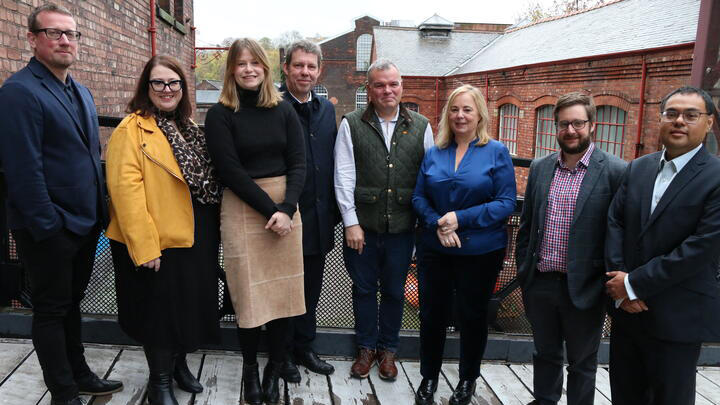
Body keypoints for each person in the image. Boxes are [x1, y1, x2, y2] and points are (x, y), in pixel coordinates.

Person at [0, 4, 122, 405]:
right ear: (33, 39)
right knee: (51, 311)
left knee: (72, 305)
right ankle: (64, 392)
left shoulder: (79, 90)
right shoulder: (19, 93)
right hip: (50, 228)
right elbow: (22, 170)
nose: (65, 40)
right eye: (54, 33)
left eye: (71, 33)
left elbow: (88, 158)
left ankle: (81, 374)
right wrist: (49, 226)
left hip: (85, 223)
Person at [104, 55, 221, 405]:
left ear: (183, 88)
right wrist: (145, 246)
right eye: (159, 83)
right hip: (158, 237)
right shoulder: (131, 129)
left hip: (195, 232)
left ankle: (179, 365)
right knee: (158, 312)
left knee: (187, 307)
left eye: (174, 83)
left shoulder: (189, 126)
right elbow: (125, 193)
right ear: (146, 87)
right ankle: (159, 382)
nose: (167, 89)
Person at [204, 38, 306, 405]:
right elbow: (229, 170)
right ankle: (250, 368)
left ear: (265, 68)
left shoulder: (283, 110)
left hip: (286, 209)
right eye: (241, 63)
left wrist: (288, 208)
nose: (249, 69)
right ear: (232, 70)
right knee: (247, 296)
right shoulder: (219, 114)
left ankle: (273, 370)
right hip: (244, 208)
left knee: (282, 296)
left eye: (255, 63)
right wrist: (271, 210)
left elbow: (299, 162)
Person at [605, 86, 720, 405]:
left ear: (708, 123)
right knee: (625, 396)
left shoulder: (716, 177)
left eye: (691, 115)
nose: (679, 121)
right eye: (672, 113)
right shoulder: (639, 168)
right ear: (662, 119)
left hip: (678, 315)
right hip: (627, 313)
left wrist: (634, 283)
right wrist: (620, 283)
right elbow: (615, 222)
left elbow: (702, 247)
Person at [515, 92, 626, 405]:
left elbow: (621, 232)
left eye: (578, 123)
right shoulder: (540, 168)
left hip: (586, 288)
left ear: (591, 125)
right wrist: (525, 271)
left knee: (582, 362)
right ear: (556, 127)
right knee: (545, 354)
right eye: (564, 124)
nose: (571, 130)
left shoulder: (615, 171)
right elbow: (526, 225)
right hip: (542, 283)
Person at [411, 84, 516, 405]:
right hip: (435, 248)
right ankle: (428, 378)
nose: (460, 115)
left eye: (467, 109)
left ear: (479, 114)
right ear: (447, 115)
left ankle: (467, 380)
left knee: (473, 316)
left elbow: (506, 202)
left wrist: (459, 218)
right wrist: (438, 223)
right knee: (432, 315)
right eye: (455, 109)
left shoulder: (495, 151)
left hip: (480, 251)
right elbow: (418, 197)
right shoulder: (434, 152)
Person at [334, 59, 434, 381]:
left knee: (393, 291)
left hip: (404, 229)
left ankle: (388, 350)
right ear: (369, 89)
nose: (387, 90)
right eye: (379, 84)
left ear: (401, 87)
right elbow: (343, 175)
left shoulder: (421, 126)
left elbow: (428, 178)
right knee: (363, 290)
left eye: (393, 84)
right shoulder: (351, 123)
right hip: (362, 228)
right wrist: (350, 221)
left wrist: (422, 226)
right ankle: (365, 348)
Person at [278, 40, 338, 382]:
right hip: (287, 215)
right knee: (287, 287)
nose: (305, 72)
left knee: (312, 287)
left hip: (319, 216)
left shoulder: (326, 110)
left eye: (311, 66)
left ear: (319, 70)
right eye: (298, 65)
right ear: (286, 67)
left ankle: (305, 346)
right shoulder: (274, 107)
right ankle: (283, 352)